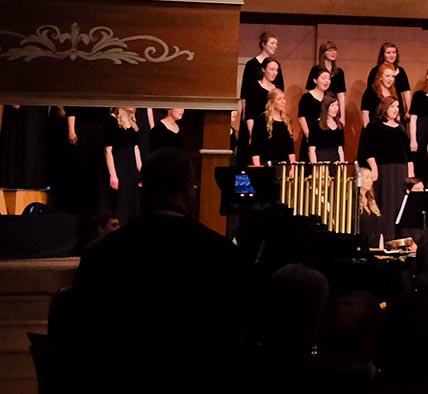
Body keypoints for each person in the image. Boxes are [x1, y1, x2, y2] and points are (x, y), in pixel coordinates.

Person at [57, 147, 246, 390]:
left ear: (143, 190)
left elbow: (80, 341)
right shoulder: (222, 255)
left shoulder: (101, 254)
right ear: (189, 191)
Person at [361, 97, 412, 242]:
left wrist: (410, 174)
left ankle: (400, 237)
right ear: (384, 108)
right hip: (384, 170)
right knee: (386, 201)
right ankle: (386, 236)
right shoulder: (374, 126)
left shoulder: (401, 127)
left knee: (399, 203)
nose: (395, 109)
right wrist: (374, 168)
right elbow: (368, 149)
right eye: (392, 107)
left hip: (400, 171)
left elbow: (408, 153)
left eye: (397, 106)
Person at [102, 107, 144, 222]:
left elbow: (136, 149)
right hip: (119, 165)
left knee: (132, 203)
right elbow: (108, 150)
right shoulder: (111, 121)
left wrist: (141, 172)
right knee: (120, 202)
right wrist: (113, 175)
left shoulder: (133, 122)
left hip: (131, 166)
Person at [248, 90, 296, 166]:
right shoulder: (262, 119)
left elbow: (290, 148)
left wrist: (293, 167)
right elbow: (255, 146)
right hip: (266, 163)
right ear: (272, 102)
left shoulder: (287, 120)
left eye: (284, 99)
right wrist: (257, 167)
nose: (283, 102)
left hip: (283, 164)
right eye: (279, 99)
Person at [366, 42, 413, 112]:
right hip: (379, 107)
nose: (392, 55)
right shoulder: (375, 71)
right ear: (383, 55)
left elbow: (406, 92)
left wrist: (409, 110)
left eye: (394, 52)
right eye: (388, 53)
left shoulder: (401, 71)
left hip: (396, 107)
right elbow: (370, 92)